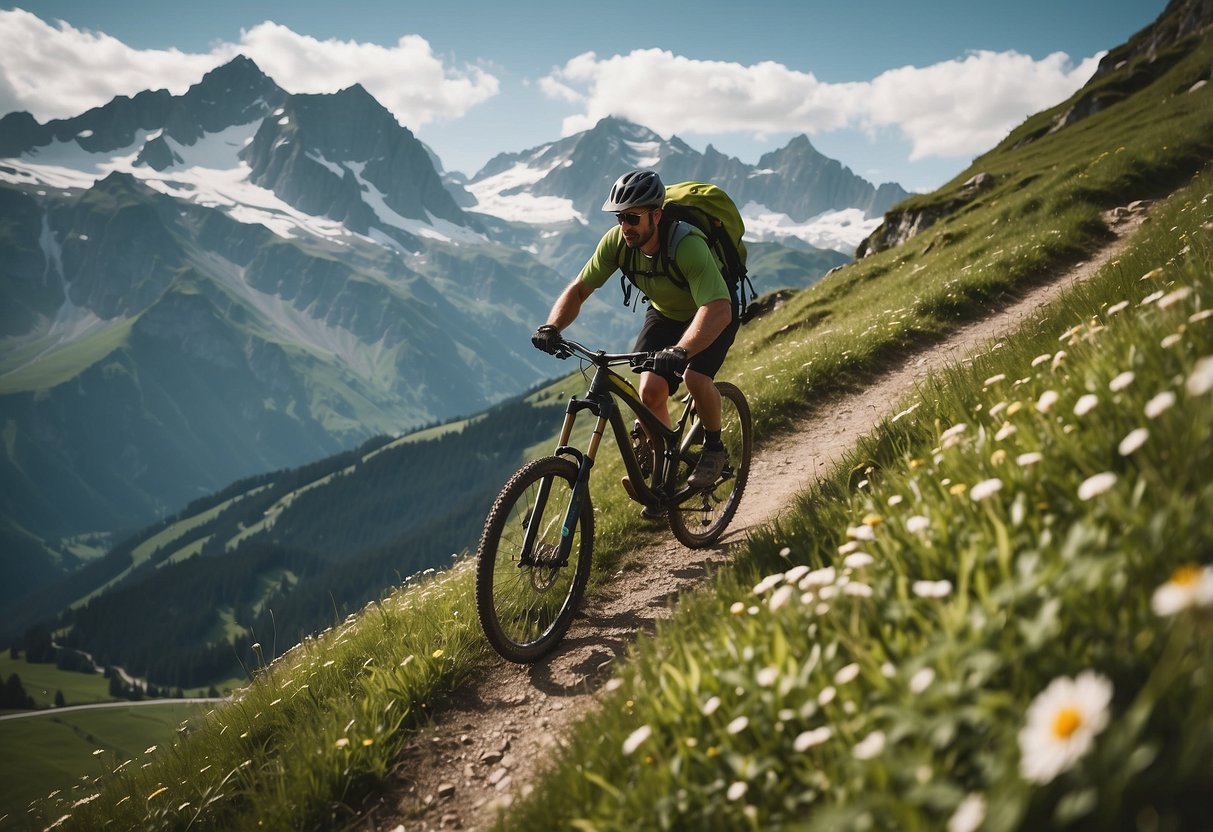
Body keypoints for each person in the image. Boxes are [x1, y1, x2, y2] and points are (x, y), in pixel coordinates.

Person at [531, 169, 740, 511]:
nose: (625, 225)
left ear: (656, 215)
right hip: (665, 313)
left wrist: (682, 350)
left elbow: (716, 308)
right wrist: (552, 326)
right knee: (649, 392)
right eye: (619, 217)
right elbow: (580, 288)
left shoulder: (686, 246)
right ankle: (664, 474)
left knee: (695, 377)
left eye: (632, 217)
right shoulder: (618, 243)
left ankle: (714, 448)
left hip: (714, 308)